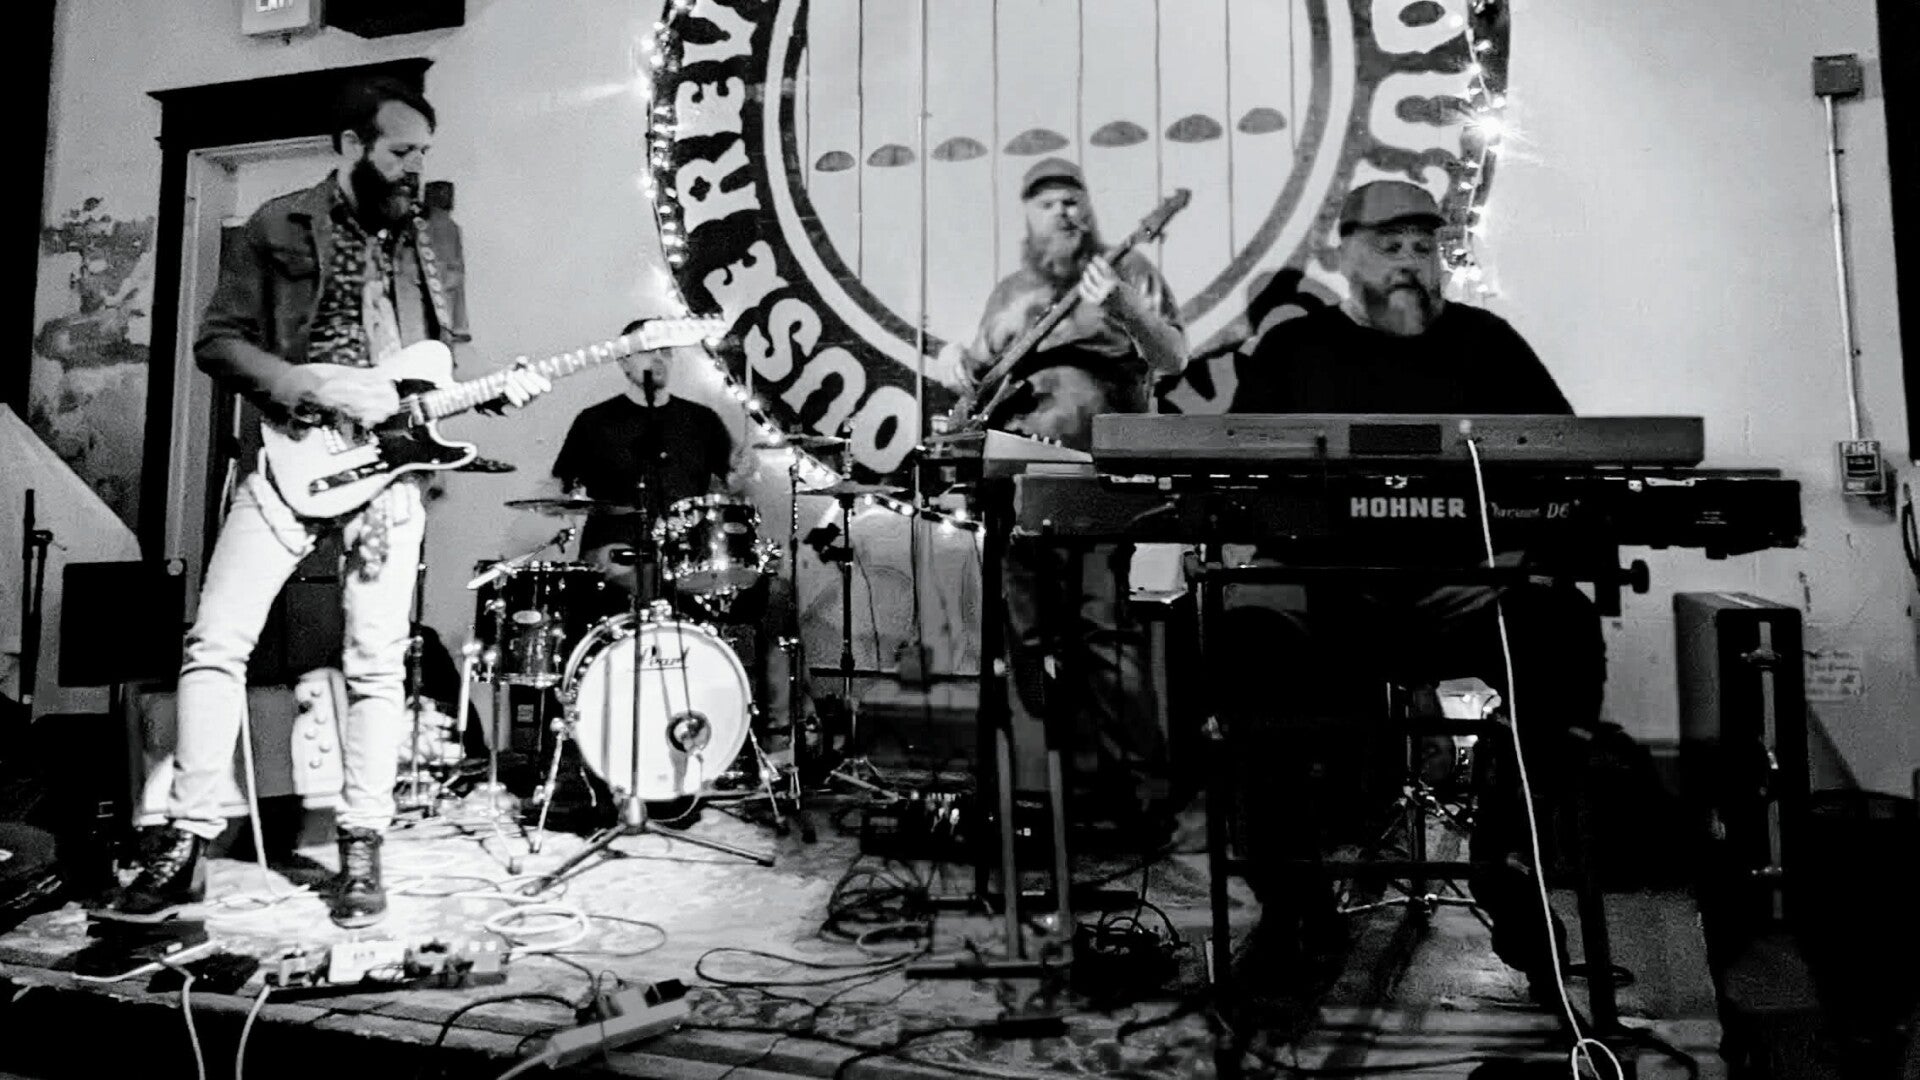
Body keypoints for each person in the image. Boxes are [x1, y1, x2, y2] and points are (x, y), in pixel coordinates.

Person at [114, 77, 552, 927]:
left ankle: (361, 842)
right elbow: (217, 343)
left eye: (424, 152)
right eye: (400, 151)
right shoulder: (278, 222)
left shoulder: (438, 236)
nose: (415, 167)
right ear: (351, 145)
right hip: (289, 459)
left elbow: (437, 370)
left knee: (376, 661)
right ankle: (189, 841)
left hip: (390, 477)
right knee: (213, 644)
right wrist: (306, 383)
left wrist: (492, 394)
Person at [1225, 179, 1603, 1003]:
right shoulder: (1294, 352)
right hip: (1336, 605)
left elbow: (1568, 466)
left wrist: (1513, 560)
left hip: (1472, 600)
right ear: (1343, 252)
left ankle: (1507, 864)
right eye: (1389, 245)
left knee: (1563, 631)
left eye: (1423, 246)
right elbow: (1242, 483)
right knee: (1246, 643)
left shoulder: (1487, 343)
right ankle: (1292, 901)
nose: (1409, 261)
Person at [932, 157, 1187, 825]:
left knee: (1104, 630)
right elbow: (983, 376)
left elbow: (1172, 357)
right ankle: (1060, 785)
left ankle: (1140, 793)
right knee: (1031, 642)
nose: (1063, 212)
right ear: (1027, 215)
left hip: (1099, 479)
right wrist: (957, 361)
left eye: (1072, 199)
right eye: (1047, 203)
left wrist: (1122, 304)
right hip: (1018, 485)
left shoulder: (1129, 274)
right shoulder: (1010, 292)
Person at [549, 328, 797, 760]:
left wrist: (743, 474)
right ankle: (636, 732)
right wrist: (568, 510)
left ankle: (779, 732)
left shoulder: (701, 420)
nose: (658, 358)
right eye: (646, 351)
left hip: (692, 562)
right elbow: (558, 490)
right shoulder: (594, 421)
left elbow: (732, 486)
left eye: (665, 350)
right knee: (642, 587)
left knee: (776, 594)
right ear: (623, 361)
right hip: (621, 553)